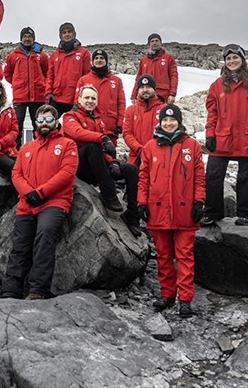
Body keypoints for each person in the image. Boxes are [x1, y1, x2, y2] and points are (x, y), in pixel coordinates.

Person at [0, 105, 78, 300]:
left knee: (44, 235)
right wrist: (28, 193)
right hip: (27, 203)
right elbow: (16, 173)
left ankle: (38, 289)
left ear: (56, 121)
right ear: (35, 123)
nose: (44, 123)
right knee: (20, 244)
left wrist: (41, 192)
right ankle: (10, 290)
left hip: (55, 202)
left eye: (49, 119)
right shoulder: (26, 147)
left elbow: (67, 173)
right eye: (41, 120)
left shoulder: (68, 144)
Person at [137, 105, 204, 318]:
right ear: (160, 122)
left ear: (179, 122)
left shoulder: (192, 145)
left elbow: (199, 177)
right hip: (158, 209)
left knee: (185, 256)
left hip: (184, 211)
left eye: (172, 120)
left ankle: (185, 299)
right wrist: (142, 203)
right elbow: (143, 178)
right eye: (165, 120)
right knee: (163, 255)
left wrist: (199, 201)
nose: (168, 123)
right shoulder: (150, 147)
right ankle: (167, 294)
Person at [200, 44, 248, 226]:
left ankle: (245, 214)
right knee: (213, 175)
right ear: (224, 62)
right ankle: (212, 212)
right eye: (228, 58)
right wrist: (210, 134)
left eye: (235, 57)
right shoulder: (216, 86)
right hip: (223, 137)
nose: (232, 61)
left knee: (246, 177)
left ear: (242, 59)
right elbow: (212, 112)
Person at [62, 86, 141, 233]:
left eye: (93, 98)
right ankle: (108, 193)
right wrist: (103, 138)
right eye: (87, 97)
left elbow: (103, 150)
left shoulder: (99, 121)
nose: (90, 101)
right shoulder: (69, 116)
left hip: (96, 166)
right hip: (78, 166)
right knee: (92, 146)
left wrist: (113, 163)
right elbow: (77, 133)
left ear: (97, 101)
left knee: (131, 169)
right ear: (79, 99)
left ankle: (132, 215)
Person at [4, 27, 49, 148]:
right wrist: (17, 83)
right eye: (25, 36)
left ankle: (39, 149)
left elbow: (47, 73)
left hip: (38, 96)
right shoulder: (13, 56)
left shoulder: (42, 56)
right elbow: (7, 74)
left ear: (33, 38)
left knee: (39, 124)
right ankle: (16, 151)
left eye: (29, 36)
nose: (27, 39)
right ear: (21, 38)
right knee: (17, 124)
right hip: (20, 96)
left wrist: (42, 84)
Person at [75, 49, 125, 144]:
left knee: (110, 151)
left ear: (106, 61)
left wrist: (120, 122)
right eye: (96, 58)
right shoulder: (83, 80)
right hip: (90, 126)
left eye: (102, 58)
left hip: (110, 126)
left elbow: (121, 103)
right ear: (92, 61)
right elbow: (78, 103)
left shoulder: (116, 81)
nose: (99, 60)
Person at [47, 22, 91, 116]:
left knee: (73, 124)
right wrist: (48, 92)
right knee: (49, 120)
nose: (67, 34)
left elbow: (87, 76)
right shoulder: (55, 55)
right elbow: (50, 75)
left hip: (74, 98)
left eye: (69, 32)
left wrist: (84, 95)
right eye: (64, 32)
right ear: (60, 35)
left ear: (74, 33)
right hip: (57, 97)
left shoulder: (84, 53)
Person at [123, 74, 165, 167]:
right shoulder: (130, 110)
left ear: (154, 89)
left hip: (158, 157)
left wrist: (152, 150)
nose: (145, 90)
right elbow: (127, 133)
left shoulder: (163, 109)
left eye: (148, 87)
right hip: (135, 157)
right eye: (142, 87)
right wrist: (139, 149)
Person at [132, 33, 178, 104]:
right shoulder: (144, 60)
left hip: (163, 95)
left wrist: (172, 94)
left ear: (161, 43)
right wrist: (134, 96)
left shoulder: (168, 58)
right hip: (146, 94)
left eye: (157, 41)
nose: (154, 43)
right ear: (149, 44)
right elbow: (138, 78)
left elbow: (173, 76)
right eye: (152, 41)